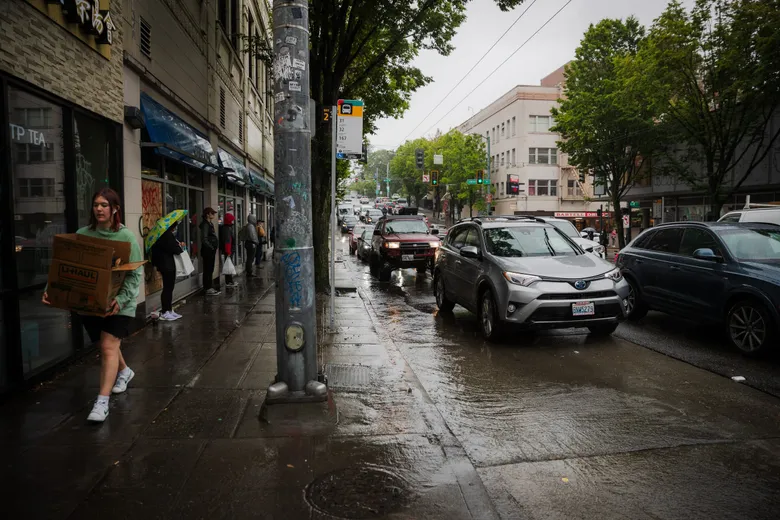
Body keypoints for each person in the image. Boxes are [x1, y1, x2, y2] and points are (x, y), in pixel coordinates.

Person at [42, 188, 143, 423]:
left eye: (104, 205)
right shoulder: (82, 234)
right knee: (105, 346)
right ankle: (125, 371)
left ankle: (102, 402)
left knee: (108, 346)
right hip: (91, 303)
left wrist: (121, 299)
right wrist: (51, 290)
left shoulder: (126, 237)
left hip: (120, 305)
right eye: (96, 204)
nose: (99, 208)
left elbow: (135, 274)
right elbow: (63, 265)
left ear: (115, 209)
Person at [151, 222, 184, 321]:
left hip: (165, 264)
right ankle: (166, 311)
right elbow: (175, 249)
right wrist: (180, 246)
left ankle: (169, 310)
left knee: (169, 288)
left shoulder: (162, 234)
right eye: (175, 226)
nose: (175, 228)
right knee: (168, 288)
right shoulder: (167, 235)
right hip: (167, 265)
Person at [200, 207, 220, 295]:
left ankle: (209, 286)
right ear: (207, 214)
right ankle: (207, 287)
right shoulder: (205, 224)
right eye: (212, 213)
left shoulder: (209, 223)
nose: (214, 215)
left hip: (210, 250)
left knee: (210, 268)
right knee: (208, 269)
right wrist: (211, 247)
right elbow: (204, 239)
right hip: (208, 251)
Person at [220, 213, 238, 287]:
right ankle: (229, 281)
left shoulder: (226, 228)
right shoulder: (227, 229)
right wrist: (228, 251)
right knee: (228, 265)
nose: (233, 222)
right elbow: (227, 241)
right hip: (228, 250)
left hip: (229, 250)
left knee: (228, 264)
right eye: (232, 220)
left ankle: (229, 281)